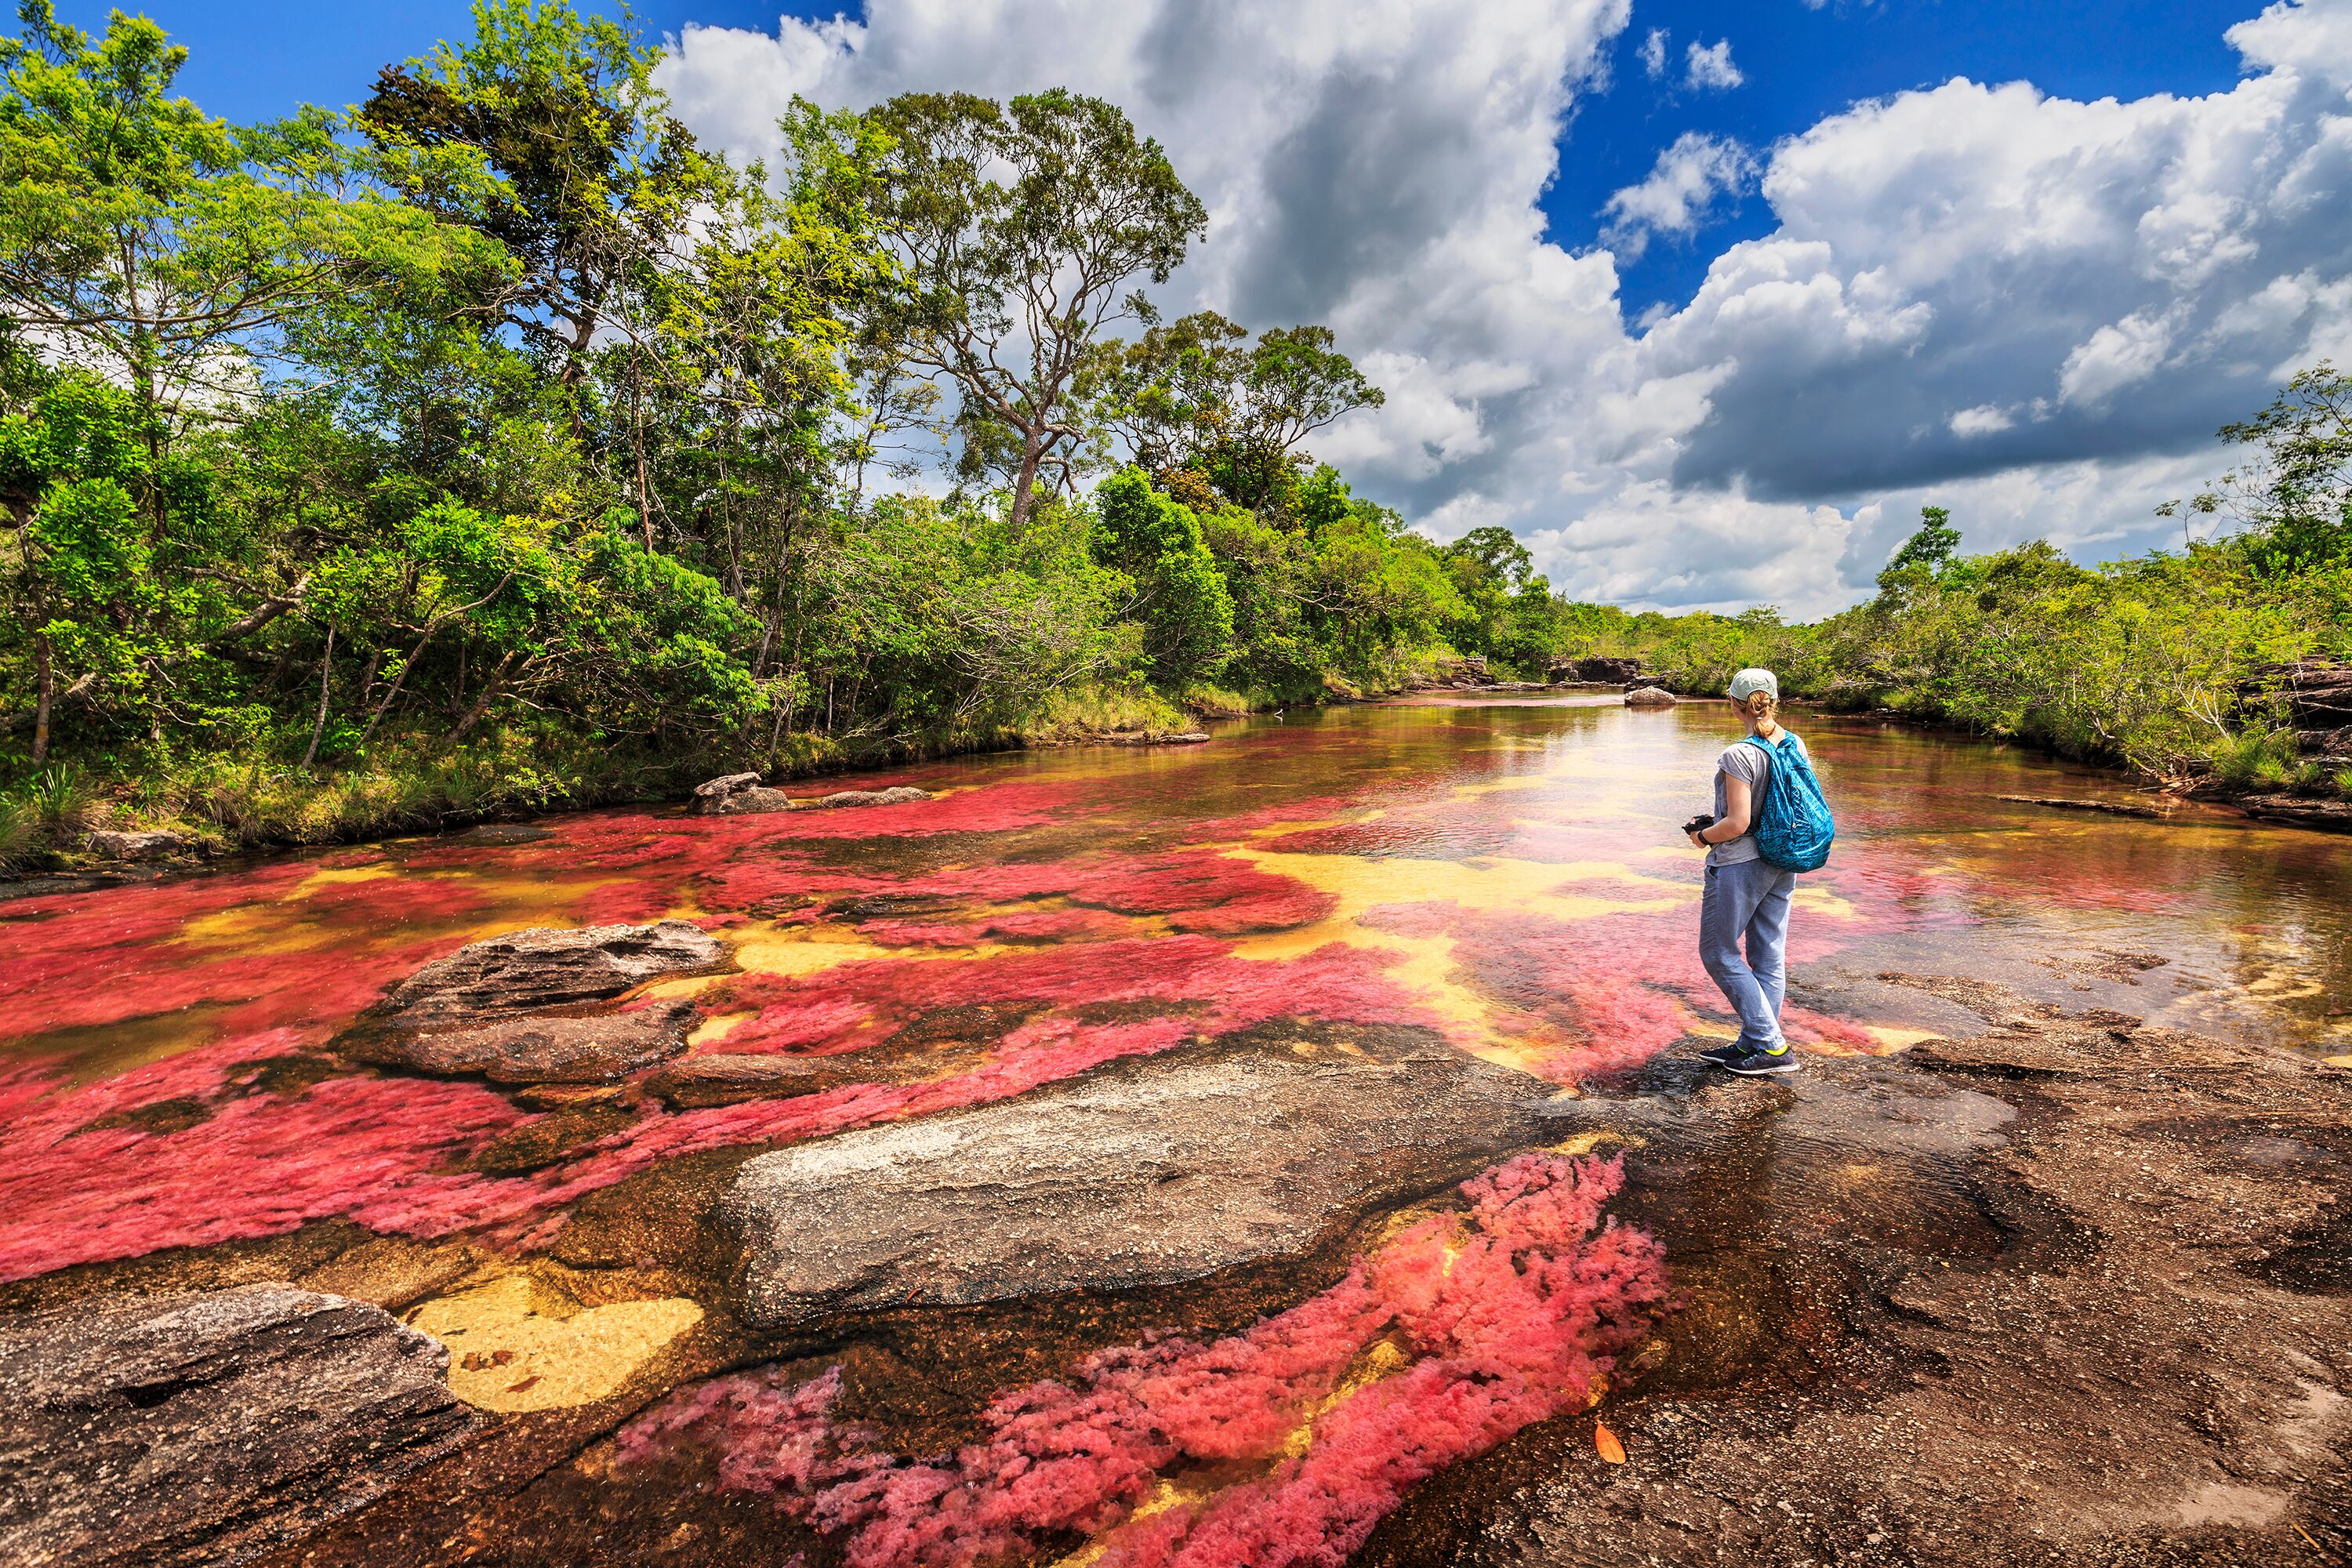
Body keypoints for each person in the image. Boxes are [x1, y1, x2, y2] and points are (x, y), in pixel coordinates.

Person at [1686, 668, 1805, 1076]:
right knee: (1767, 953)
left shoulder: (1739, 754)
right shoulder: (1794, 743)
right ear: (1773, 699)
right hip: (1783, 856)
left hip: (1740, 862)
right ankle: (1754, 1042)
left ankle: (1772, 1047)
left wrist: (1703, 836)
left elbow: (1736, 824)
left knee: (1718, 952)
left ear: (1733, 702)